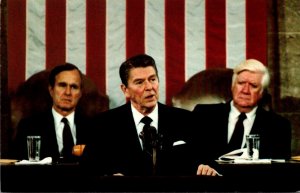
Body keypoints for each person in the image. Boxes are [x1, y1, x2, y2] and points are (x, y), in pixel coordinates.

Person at [81, 54, 218, 176]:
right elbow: (88, 172)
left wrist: (208, 168)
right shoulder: (103, 125)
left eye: (152, 79)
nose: (149, 87)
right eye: (139, 82)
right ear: (125, 90)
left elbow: (211, 161)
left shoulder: (186, 120)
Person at [192, 59, 291, 161]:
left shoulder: (279, 126)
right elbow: (189, 157)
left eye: (253, 86)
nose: (245, 90)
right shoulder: (203, 114)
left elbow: (280, 170)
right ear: (232, 86)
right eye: (241, 83)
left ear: (261, 93)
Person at [12, 63, 92, 162]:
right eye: (62, 85)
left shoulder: (93, 128)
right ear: (51, 90)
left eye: (74, 87)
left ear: (80, 94)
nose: (67, 92)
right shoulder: (29, 126)